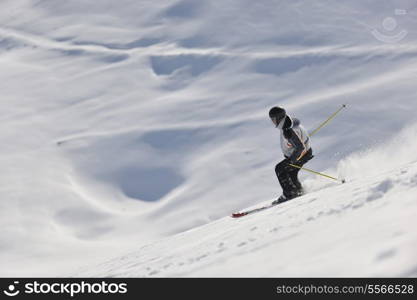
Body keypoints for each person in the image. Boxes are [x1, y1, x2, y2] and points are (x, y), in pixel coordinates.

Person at [269, 106, 313, 204]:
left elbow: (300, 147)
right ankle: (298, 191)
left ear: (279, 118)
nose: (273, 122)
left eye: (273, 119)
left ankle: (289, 194)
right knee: (291, 174)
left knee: (280, 169)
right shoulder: (288, 122)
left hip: (301, 154)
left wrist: (292, 160)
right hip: (305, 152)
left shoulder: (287, 130)